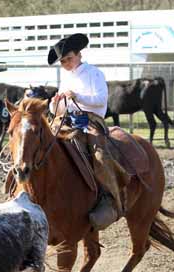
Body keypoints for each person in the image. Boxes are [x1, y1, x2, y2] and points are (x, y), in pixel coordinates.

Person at [48, 33, 128, 230]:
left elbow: (100, 100)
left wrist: (77, 96)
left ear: (79, 55)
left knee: (100, 156)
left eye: (69, 58)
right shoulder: (66, 78)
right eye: (63, 61)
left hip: (91, 122)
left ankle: (112, 200)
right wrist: (54, 104)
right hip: (65, 121)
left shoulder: (94, 73)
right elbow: (58, 108)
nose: (66, 63)